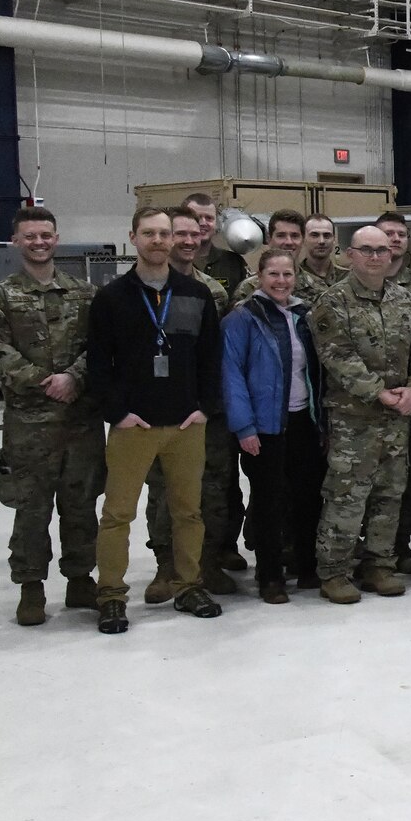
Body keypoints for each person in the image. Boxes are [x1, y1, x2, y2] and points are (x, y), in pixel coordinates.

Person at [86, 207, 223, 634]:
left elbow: (210, 358)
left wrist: (204, 408)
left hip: (186, 424)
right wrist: (117, 414)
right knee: (117, 515)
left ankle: (187, 586)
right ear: (134, 237)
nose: (160, 241)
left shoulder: (195, 295)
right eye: (150, 233)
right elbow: (97, 364)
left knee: (188, 512)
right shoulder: (111, 298)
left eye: (165, 234)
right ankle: (110, 595)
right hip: (134, 426)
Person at [0, 206, 103, 625]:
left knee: (81, 504)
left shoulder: (84, 294)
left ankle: (81, 579)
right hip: (28, 425)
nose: (39, 242)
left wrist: (74, 378)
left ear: (56, 238)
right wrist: (45, 380)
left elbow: (100, 348)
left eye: (45, 235)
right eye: (30, 236)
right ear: (16, 241)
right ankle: (31, 587)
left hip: (79, 422)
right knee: (31, 509)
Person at [308, 224, 411, 602]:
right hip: (353, 417)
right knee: (347, 495)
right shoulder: (332, 301)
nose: (376, 256)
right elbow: (337, 355)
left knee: (389, 494)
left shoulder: (405, 301)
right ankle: (334, 572)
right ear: (350, 255)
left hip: (397, 417)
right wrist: (380, 394)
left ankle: (379, 565)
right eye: (367, 250)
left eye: (382, 250)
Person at [142, 207, 241, 597]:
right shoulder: (138, 288)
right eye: (175, 234)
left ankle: (208, 562)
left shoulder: (212, 292)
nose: (185, 241)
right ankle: (166, 566)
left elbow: (218, 353)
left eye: (191, 234)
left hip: (205, 410)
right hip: (156, 409)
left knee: (213, 487)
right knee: (163, 490)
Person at [222, 247, 326, 602]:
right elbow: (231, 374)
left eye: (287, 274)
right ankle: (270, 577)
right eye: (273, 275)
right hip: (264, 427)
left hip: (304, 421)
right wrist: (244, 427)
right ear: (259, 277)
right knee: (268, 502)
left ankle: (307, 567)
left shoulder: (304, 315)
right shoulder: (242, 319)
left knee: (308, 497)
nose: (281, 281)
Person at [377, 210, 411, 572]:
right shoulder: (349, 287)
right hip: (364, 404)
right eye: (387, 235)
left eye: (400, 234)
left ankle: (401, 543)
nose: (395, 240)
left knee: (407, 476)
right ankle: (367, 547)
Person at [231, 210, 308, 307]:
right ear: (269, 239)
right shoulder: (248, 288)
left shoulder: (317, 289)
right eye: (281, 235)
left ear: (303, 240)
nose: (289, 242)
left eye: (295, 236)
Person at [181, 192, 249, 294]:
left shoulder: (234, 263)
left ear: (217, 223)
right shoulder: (172, 261)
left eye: (209, 218)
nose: (203, 223)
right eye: (197, 217)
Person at [297, 214, 342, 300]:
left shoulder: (348, 278)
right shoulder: (291, 279)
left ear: (334, 240)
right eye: (314, 235)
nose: (321, 241)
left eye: (327, 235)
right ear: (303, 239)